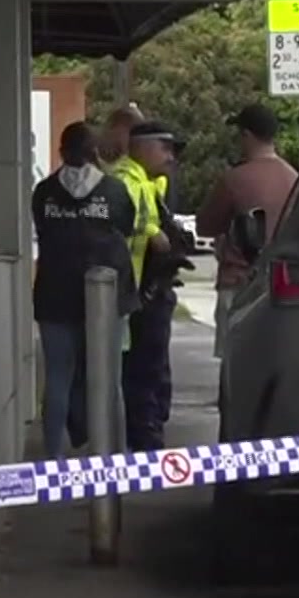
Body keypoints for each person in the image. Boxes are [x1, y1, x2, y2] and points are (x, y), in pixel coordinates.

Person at [30, 123, 138, 457]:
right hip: (106, 296)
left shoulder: (44, 192)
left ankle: (53, 458)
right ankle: (112, 455)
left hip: (54, 294)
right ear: (96, 153)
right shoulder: (115, 190)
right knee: (108, 379)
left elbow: (43, 229)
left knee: (58, 378)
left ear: (62, 152)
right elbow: (126, 227)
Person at [196, 103, 299, 358]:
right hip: (281, 282)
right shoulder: (295, 178)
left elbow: (205, 225)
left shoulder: (235, 179)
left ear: (247, 136)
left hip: (238, 280)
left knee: (234, 359)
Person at [115, 120, 187, 451]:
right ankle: (145, 440)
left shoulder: (147, 181)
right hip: (135, 290)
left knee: (152, 368)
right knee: (143, 369)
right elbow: (125, 224)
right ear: (143, 148)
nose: (171, 157)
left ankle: (150, 430)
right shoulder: (126, 180)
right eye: (165, 148)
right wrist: (152, 234)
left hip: (150, 286)